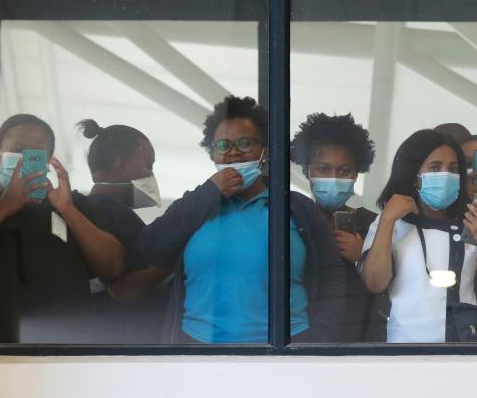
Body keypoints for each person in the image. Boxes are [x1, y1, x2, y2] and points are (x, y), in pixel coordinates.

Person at [137, 95, 344, 343]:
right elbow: (151, 247)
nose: (234, 153)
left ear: (264, 152)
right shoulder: (196, 205)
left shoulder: (298, 209)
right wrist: (210, 193)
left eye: (245, 144)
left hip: (286, 354)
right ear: (212, 154)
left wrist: (318, 336)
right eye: (223, 146)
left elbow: (333, 274)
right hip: (198, 351)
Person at [0, 114, 125, 342]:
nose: (23, 159)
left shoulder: (72, 204)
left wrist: (68, 210)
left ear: (48, 160)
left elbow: (113, 266)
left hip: (65, 347)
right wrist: (3, 207)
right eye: (17, 149)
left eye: (34, 153)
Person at [360, 129, 477, 342]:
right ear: (413, 175)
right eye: (435, 167)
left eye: (453, 168)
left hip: (467, 349)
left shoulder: (474, 223)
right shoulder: (393, 222)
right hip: (406, 350)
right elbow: (374, 283)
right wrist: (387, 220)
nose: (446, 174)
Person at [291, 112, 383, 343]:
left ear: (356, 173)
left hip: (363, 343)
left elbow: (395, 292)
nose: (333, 178)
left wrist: (363, 256)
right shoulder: (293, 222)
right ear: (307, 171)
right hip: (304, 341)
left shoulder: (375, 225)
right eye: (323, 169)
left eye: (343, 171)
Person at [78, 119, 172, 342]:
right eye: (148, 165)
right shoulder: (106, 211)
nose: (151, 175)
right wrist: (177, 254)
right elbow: (126, 287)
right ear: (119, 165)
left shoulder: (89, 209)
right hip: (120, 335)